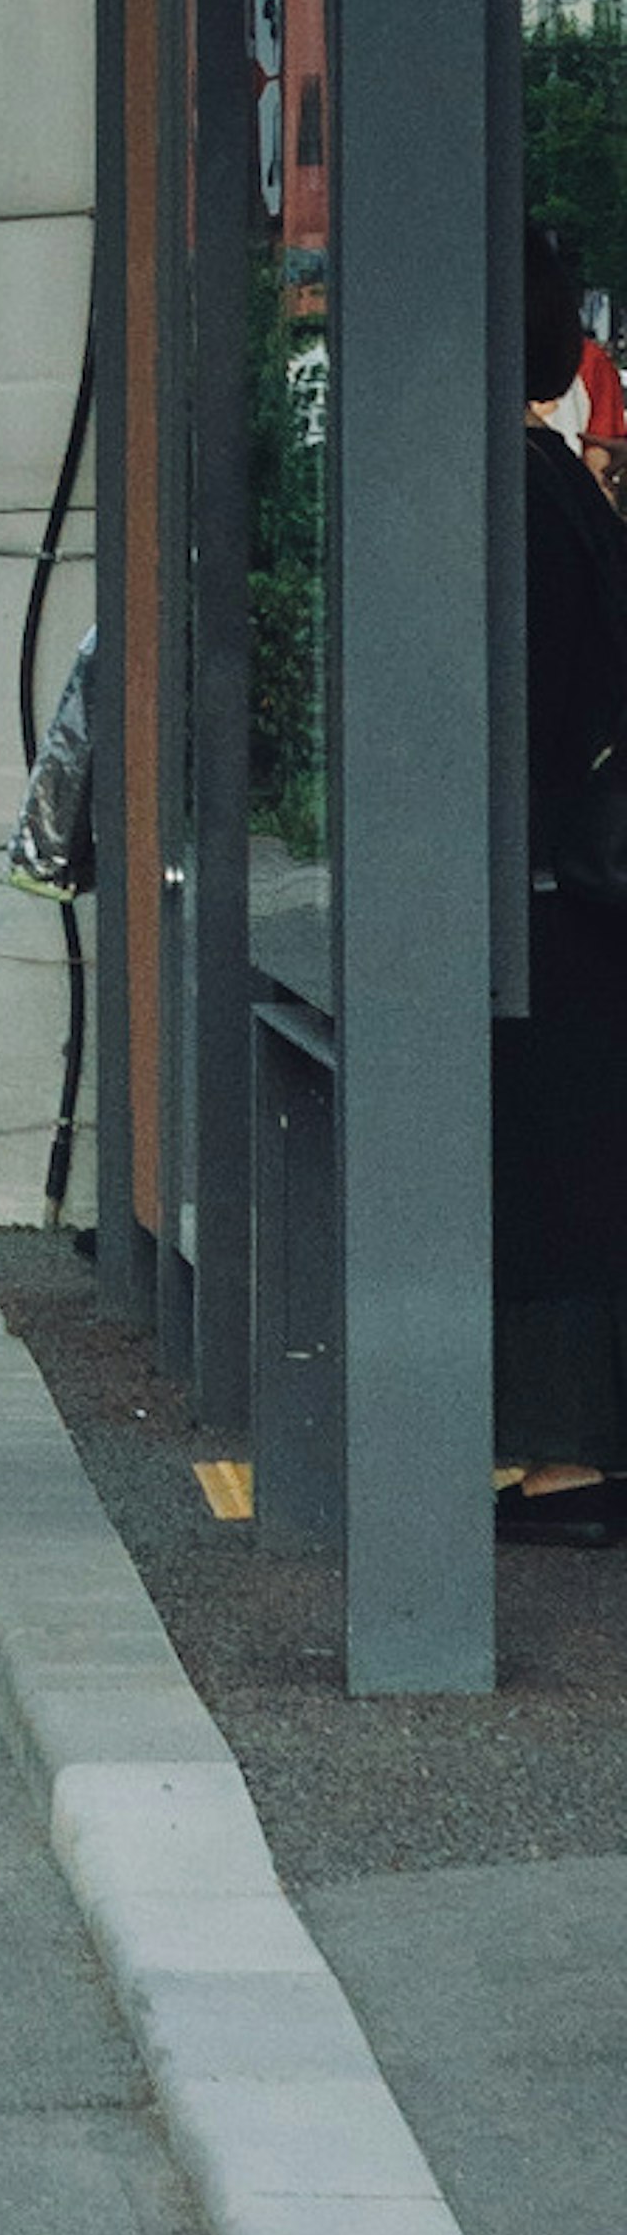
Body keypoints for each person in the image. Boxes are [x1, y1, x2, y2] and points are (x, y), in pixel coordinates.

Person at [498, 226, 627, 1536]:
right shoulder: (561, 482)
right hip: (584, 883)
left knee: (550, 1170)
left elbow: (518, 714)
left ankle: (561, 1467)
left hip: (544, 882)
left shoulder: (515, 494)